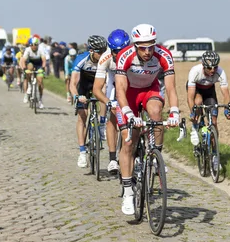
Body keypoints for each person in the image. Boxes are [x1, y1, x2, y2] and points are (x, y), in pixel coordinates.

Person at [115, 23, 180, 216]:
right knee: (129, 141)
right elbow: (120, 88)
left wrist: (175, 111)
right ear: (135, 45)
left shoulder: (164, 55)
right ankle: (128, 193)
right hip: (130, 94)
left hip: (149, 90)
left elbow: (170, 88)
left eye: (151, 46)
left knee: (156, 113)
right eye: (143, 47)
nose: (147, 51)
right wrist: (127, 112)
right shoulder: (125, 56)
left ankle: (155, 158)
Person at [186, 50, 230, 171]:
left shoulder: (221, 72)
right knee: (198, 102)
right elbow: (190, 96)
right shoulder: (195, 71)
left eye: (215, 67)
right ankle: (195, 127)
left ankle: (215, 156)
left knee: (214, 123)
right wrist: (193, 111)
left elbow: (226, 93)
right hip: (196, 90)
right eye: (209, 67)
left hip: (209, 92)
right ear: (203, 65)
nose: (212, 70)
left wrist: (227, 108)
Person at [93, 28, 130, 174]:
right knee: (113, 117)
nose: (118, 54)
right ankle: (113, 159)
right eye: (115, 51)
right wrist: (109, 102)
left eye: (122, 51)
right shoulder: (105, 58)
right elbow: (97, 89)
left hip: (131, 81)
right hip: (113, 83)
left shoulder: (133, 55)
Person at [70, 35, 108, 168]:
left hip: (99, 84)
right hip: (84, 86)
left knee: (104, 94)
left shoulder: (106, 59)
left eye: (105, 50)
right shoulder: (81, 59)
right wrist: (76, 96)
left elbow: (108, 82)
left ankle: (102, 124)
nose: (103, 53)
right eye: (100, 51)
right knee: (83, 116)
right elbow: (73, 83)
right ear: (91, 51)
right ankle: (82, 152)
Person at [20, 36, 47, 109]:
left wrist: (43, 68)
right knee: (29, 69)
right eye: (32, 45)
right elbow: (23, 60)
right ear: (30, 45)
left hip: (39, 65)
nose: (34, 46)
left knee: (40, 81)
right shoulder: (27, 50)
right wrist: (24, 68)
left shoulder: (41, 49)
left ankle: (40, 100)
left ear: (38, 45)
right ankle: (29, 85)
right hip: (30, 64)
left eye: (35, 44)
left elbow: (44, 60)